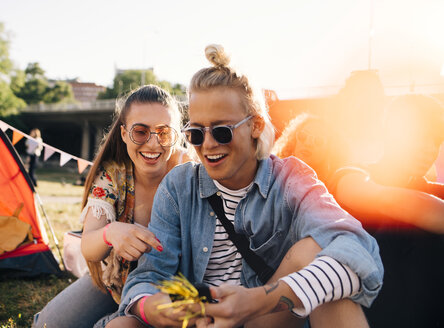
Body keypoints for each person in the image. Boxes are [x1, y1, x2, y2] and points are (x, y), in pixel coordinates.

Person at [113, 45, 383, 328]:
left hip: (266, 319)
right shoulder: (178, 186)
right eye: (195, 133)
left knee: (315, 252)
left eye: (221, 131)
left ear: (255, 125)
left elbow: (358, 252)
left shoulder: (291, 179)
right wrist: (151, 307)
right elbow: (148, 276)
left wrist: (259, 300)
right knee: (122, 325)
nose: (207, 145)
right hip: (198, 322)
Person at [276, 94, 444, 327]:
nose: (428, 148)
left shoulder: (436, 192)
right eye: (419, 136)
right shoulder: (352, 176)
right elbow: (383, 199)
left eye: (435, 140)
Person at [32, 84, 191, 328]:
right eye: (140, 131)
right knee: (47, 324)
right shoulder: (113, 174)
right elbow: (89, 248)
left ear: (177, 135)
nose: (152, 143)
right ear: (124, 133)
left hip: (170, 286)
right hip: (115, 281)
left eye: (164, 132)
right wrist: (111, 232)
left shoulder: (188, 170)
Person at [272, 113, 349, 184]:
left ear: (329, 151)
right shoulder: (273, 173)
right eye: (303, 136)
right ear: (293, 141)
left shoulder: (335, 184)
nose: (308, 143)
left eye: (318, 141)